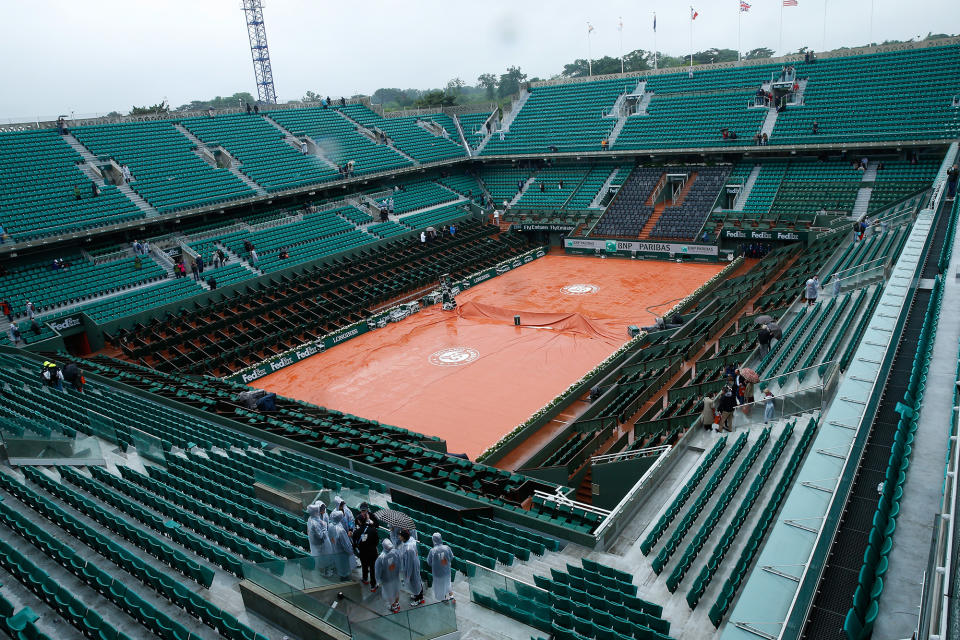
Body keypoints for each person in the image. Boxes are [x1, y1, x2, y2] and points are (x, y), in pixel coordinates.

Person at [353, 504, 380, 591]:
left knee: (366, 565)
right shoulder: (372, 530)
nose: (363, 512)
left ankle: (366, 579)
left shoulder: (356, 532)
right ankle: (372, 584)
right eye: (362, 511)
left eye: (364, 511)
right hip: (372, 551)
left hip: (363, 551)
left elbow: (355, 543)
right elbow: (376, 541)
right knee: (371, 567)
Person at [426, 533, 455, 602]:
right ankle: (451, 596)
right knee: (448, 583)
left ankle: (444, 598)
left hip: (437, 573)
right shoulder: (447, 548)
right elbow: (451, 557)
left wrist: (436, 565)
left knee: (440, 586)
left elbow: (429, 562)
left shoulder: (432, 551)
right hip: (446, 571)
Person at [399, 529, 424, 606]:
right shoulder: (410, 540)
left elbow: (409, 564)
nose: (399, 537)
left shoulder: (409, 549)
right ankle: (417, 595)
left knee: (415, 582)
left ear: (403, 537)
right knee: (417, 581)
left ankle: (419, 599)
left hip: (412, 568)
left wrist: (408, 575)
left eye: (400, 536)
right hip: (415, 565)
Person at [375, 539, 401, 613]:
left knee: (389, 593)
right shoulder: (395, 552)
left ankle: (393, 606)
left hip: (386, 580)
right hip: (395, 577)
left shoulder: (381, 558)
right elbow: (399, 564)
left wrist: (378, 581)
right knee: (396, 590)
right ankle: (396, 603)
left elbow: (377, 572)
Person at [328, 510, 354, 581]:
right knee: (344, 569)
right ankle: (345, 579)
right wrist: (351, 552)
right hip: (342, 553)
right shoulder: (340, 530)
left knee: (339, 565)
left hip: (335, 550)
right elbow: (346, 544)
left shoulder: (330, 525)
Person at [307, 503, 332, 572]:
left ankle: (322, 569)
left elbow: (308, 531)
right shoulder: (315, 524)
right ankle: (324, 572)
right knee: (322, 559)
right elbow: (320, 536)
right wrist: (324, 528)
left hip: (314, 543)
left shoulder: (310, 519)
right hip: (319, 545)